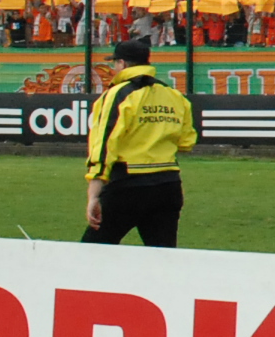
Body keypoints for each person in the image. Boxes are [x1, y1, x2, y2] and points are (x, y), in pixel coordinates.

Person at [82, 38, 199, 247]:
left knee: (92, 251)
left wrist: (93, 194)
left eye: (114, 63)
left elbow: (104, 144)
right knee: (163, 256)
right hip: (168, 183)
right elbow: (186, 141)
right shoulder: (173, 95)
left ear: (122, 64)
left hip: (128, 183)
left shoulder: (118, 94)